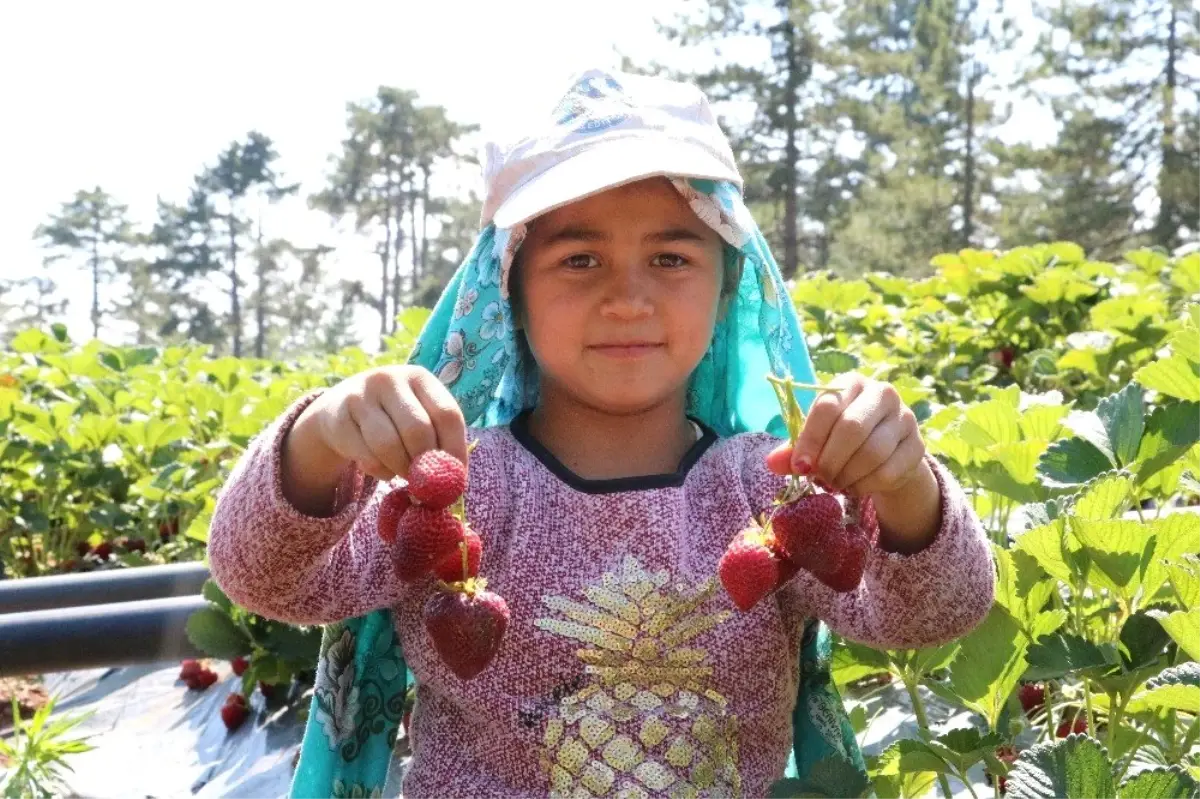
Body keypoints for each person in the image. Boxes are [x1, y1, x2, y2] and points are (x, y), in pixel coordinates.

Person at [207, 68, 995, 799]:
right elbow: (266, 577)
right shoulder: (452, 492)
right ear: (508, 293)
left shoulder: (771, 491)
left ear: (728, 292)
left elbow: (930, 614)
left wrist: (904, 486)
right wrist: (319, 440)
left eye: (671, 256)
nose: (628, 297)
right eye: (579, 258)